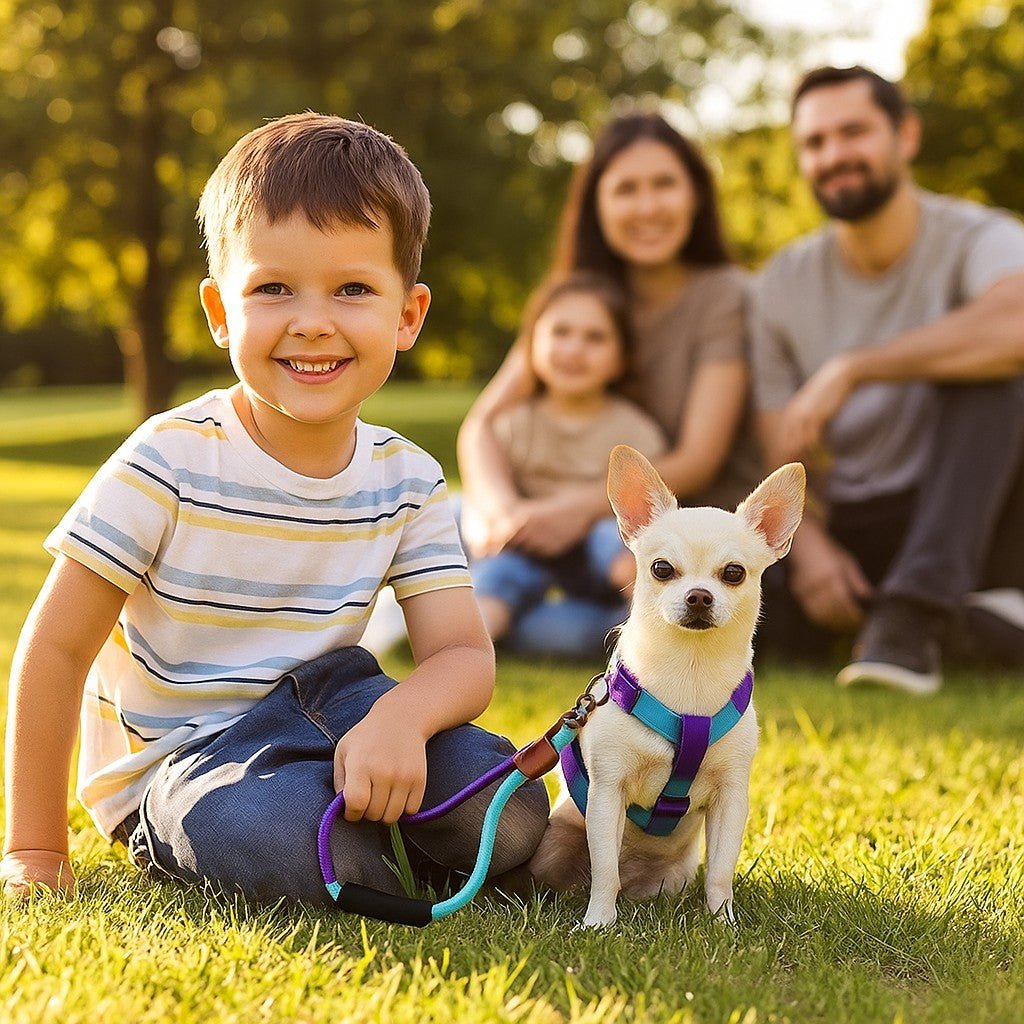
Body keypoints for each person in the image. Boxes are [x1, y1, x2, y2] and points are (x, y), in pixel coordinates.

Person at [1, 113, 548, 902]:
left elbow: (462, 656)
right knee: (275, 838)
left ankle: (365, 826)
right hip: (190, 758)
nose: (313, 320)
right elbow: (54, 651)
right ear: (221, 313)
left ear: (408, 315)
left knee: (515, 807)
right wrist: (33, 848)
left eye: (353, 288)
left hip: (339, 710)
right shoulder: (168, 460)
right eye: (272, 289)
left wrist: (400, 722)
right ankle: (345, 840)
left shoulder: (409, 479)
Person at [751, 65, 1024, 694]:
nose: (834, 155)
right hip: (862, 529)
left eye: (854, 132)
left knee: (993, 377)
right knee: (776, 621)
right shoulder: (781, 284)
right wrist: (812, 545)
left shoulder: (978, 235)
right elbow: (778, 444)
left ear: (906, 135)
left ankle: (911, 617)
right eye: (814, 143)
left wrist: (855, 367)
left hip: (979, 508)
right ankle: (970, 621)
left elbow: (1013, 327)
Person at [457, 112, 761, 658]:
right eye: (626, 189)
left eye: (664, 184)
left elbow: (699, 457)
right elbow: (481, 424)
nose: (647, 207)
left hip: (662, 533)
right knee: (447, 513)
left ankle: (523, 629)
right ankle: (454, 619)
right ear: (597, 204)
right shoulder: (577, 300)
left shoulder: (724, 296)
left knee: (579, 620)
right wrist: (499, 513)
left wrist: (574, 509)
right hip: (540, 522)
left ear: (695, 194)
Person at [464, 271, 667, 644]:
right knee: (497, 573)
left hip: (599, 559)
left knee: (614, 538)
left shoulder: (636, 431)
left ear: (622, 358)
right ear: (531, 345)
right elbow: (487, 505)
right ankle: (472, 645)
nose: (574, 350)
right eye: (560, 332)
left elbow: (648, 516)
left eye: (595, 338)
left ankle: (654, 618)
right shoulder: (514, 423)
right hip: (526, 550)